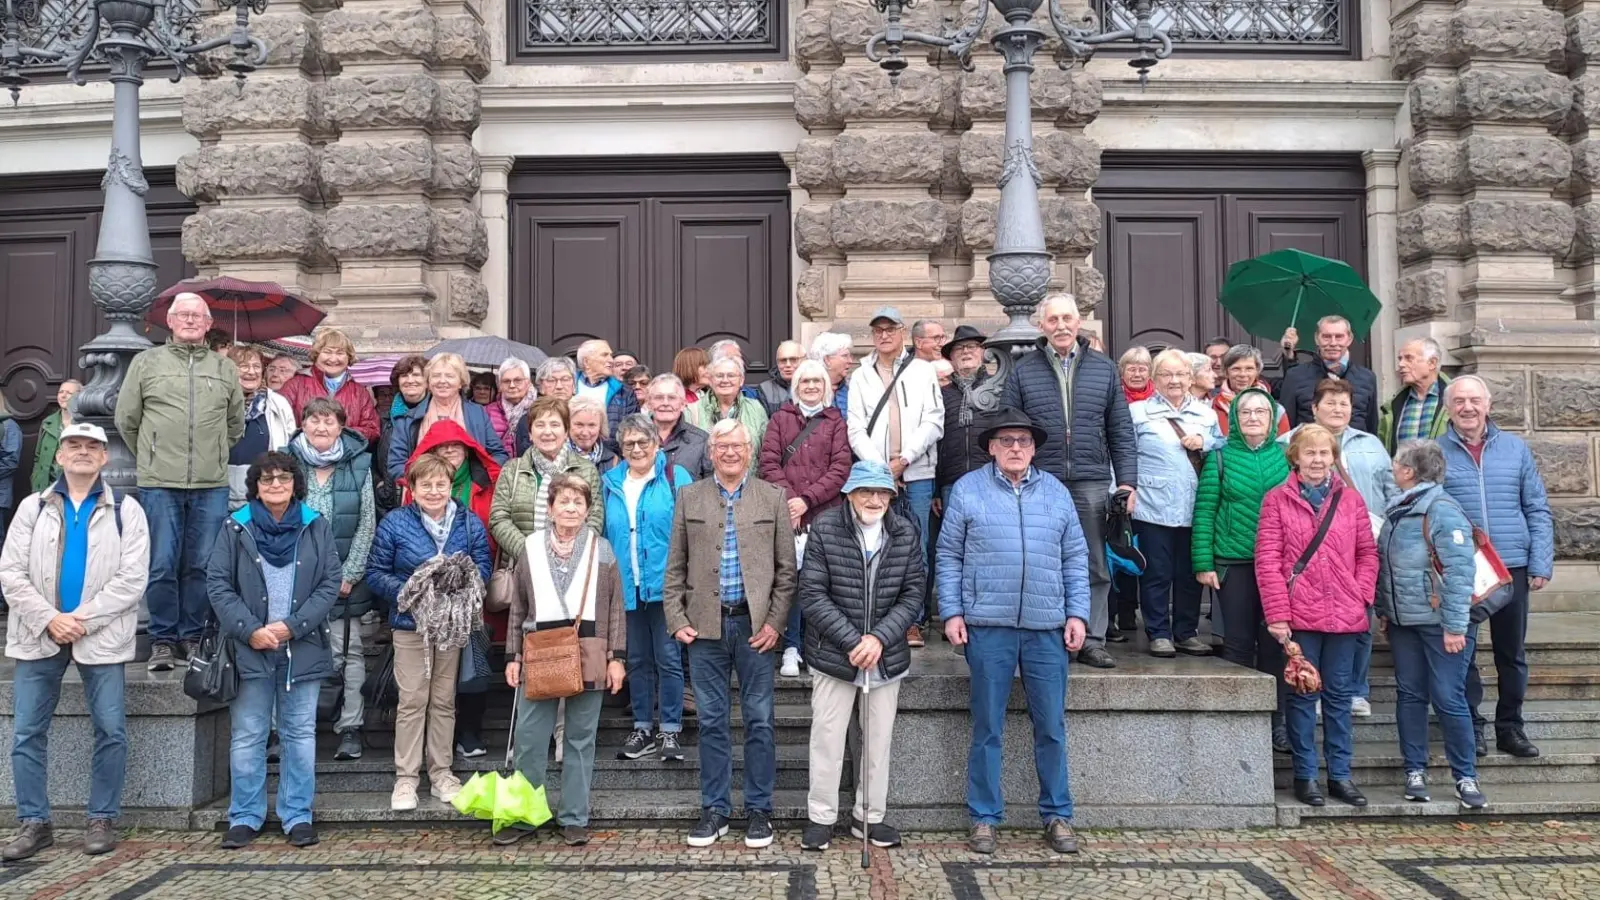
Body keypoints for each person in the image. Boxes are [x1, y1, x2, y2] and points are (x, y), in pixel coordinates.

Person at [937, 407, 1089, 855]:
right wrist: (951, 612)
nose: (1016, 448)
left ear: (1035, 447)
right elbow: (948, 557)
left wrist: (1077, 614)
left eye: (1023, 441)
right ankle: (984, 818)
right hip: (988, 624)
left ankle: (1057, 814)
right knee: (987, 726)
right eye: (1007, 441)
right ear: (991, 447)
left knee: (1052, 726)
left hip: (1046, 627)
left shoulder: (1057, 493)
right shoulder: (968, 490)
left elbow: (1075, 558)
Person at [1, 422, 148, 861]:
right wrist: (50, 619)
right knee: (27, 731)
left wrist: (80, 619)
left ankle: (101, 817)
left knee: (110, 729)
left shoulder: (127, 509)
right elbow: (10, 572)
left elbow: (133, 577)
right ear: (59, 456)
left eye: (92, 447)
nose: (82, 453)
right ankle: (34, 822)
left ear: (105, 458)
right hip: (38, 633)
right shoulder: (32, 507)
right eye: (73, 446)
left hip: (98, 634)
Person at [663, 419, 796, 849]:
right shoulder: (689, 496)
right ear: (712, 451)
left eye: (738, 445)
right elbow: (675, 568)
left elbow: (786, 573)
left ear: (750, 450)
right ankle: (715, 810)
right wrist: (676, 617)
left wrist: (775, 623)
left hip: (755, 629)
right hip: (705, 628)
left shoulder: (773, 497)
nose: (731, 453)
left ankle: (759, 811)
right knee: (712, 723)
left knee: (760, 721)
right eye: (722, 446)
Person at [208, 450, 342, 849]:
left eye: (283, 478)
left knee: (299, 735)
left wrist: (292, 627)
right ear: (256, 487)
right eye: (267, 480)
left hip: (302, 647)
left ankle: (297, 814)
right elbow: (218, 584)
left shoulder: (316, 526)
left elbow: (330, 583)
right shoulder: (235, 527)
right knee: (248, 735)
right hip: (249, 649)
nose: (276, 486)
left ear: (295, 484)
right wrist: (250, 631)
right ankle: (245, 815)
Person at [1002, 294, 1137, 669]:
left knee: (1094, 562)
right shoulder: (1023, 370)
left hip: (1091, 480)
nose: (1061, 326)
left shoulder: (1104, 368)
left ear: (1079, 323)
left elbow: (1120, 430)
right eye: (1053, 320)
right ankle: (1046, 635)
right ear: (1041, 326)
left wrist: (1126, 481)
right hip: (1039, 480)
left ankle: (1092, 639)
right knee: (1040, 560)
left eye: (1067, 318)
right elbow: (1009, 427)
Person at [798, 461, 924, 852]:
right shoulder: (826, 528)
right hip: (835, 653)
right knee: (828, 739)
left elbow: (913, 593)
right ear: (849, 494)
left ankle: (868, 816)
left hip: (885, 656)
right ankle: (821, 817)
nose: (874, 499)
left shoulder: (905, 532)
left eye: (881, 492)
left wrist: (880, 639)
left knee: (877, 740)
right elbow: (812, 595)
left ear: (891, 496)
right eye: (865, 492)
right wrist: (854, 641)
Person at [115, 292, 245, 672]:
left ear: (208, 325)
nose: (190, 320)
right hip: (160, 482)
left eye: (197, 316)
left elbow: (234, 424)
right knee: (161, 563)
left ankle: (191, 636)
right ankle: (162, 640)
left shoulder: (224, 369)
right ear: (169, 322)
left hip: (210, 482)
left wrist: (215, 452)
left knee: (202, 565)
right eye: (182, 314)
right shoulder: (146, 362)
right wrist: (153, 456)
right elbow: (127, 420)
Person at [495, 474, 627, 847]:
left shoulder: (601, 548)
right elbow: (519, 605)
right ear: (550, 508)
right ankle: (526, 815)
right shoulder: (531, 547)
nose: (571, 508)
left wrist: (617, 657)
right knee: (530, 737)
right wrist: (513, 656)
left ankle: (573, 816)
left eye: (578, 502)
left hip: (590, 647)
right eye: (563, 501)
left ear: (587, 509)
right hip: (539, 647)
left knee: (581, 738)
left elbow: (616, 605)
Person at [1256, 424, 1378, 808]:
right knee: (1303, 696)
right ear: (1295, 456)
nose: (1317, 460)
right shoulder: (1277, 499)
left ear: (1333, 458)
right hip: (1300, 615)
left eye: (1324, 453)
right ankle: (1306, 776)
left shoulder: (1351, 501)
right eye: (1310, 453)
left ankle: (1340, 775)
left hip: (1345, 615)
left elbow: (1367, 554)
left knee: (1340, 698)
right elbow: (1268, 560)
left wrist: (1361, 595)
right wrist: (1278, 614)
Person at [366, 452, 492, 812]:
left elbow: (482, 562)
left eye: (441, 484)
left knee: (443, 699)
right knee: (412, 700)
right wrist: (414, 592)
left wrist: (465, 586)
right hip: (411, 625)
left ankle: (442, 773)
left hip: (451, 625)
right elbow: (376, 572)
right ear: (413, 488)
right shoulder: (394, 523)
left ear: (450, 486)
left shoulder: (468, 522)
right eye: (427, 485)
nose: (434, 491)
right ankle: (406, 778)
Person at [1438, 375, 1554, 760]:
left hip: (1513, 566)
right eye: (1459, 401)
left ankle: (1511, 727)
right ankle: (1472, 725)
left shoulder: (1515, 450)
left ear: (1487, 405)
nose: (1467, 407)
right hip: (1463, 569)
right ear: (1448, 408)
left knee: (1511, 653)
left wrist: (1540, 561)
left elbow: (1536, 507)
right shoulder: (1436, 453)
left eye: (1474, 400)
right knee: (1463, 653)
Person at [1376, 440, 1486, 809]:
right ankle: (1414, 770)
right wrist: (1385, 610)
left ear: (1409, 471)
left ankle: (1465, 776)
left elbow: (1459, 572)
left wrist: (1455, 626)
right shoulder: (1399, 508)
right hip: (1404, 621)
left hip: (1441, 623)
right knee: (1410, 695)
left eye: (1396, 463)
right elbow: (1387, 569)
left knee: (1448, 697)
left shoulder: (1440, 509)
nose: (1392, 468)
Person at [1280, 378, 1397, 715]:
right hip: (1309, 550)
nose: (1338, 409)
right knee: (1311, 627)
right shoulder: (1288, 442)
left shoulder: (1371, 444)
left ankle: (1355, 690)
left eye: (1344, 403)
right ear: (1314, 408)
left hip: (1359, 548)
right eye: (1330, 403)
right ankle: (1314, 688)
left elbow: (1390, 490)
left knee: (1361, 620)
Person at [1192, 389, 1291, 751]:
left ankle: (1278, 722)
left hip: (1279, 568)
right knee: (1236, 643)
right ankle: (1239, 719)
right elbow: (1204, 513)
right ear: (1234, 418)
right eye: (1245, 412)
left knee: (1275, 645)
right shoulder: (1220, 459)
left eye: (1260, 412)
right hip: (1233, 563)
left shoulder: (1285, 457)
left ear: (1271, 418)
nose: (1252, 417)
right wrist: (1203, 563)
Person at [287, 398, 377, 762]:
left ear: (341, 426)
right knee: (291, 652)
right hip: (295, 581)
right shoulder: (286, 461)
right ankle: (290, 728)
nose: (321, 427)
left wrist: (350, 572)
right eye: (314, 420)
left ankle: (350, 727)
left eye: (329, 421)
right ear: (303, 424)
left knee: (349, 652)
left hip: (344, 580)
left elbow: (366, 520)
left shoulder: (358, 462)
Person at [848, 307, 944, 648]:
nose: (884, 335)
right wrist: (881, 469)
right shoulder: (860, 375)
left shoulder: (921, 370)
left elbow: (934, 420)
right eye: (878, 331)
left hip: (916, 472)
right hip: (876, 476)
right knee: (875, 545)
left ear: (902, 333)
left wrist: (904, 460)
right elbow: (856, 426)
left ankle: (913, 621)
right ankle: (877, 617)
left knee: (915, 547)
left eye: (890, 329)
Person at [603, 415, 693, 762]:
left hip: (666, 585)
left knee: (669, 659)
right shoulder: (609, 482)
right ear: (621, 449)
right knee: (637, 660)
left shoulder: (674, 477)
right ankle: (642, 727)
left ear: (657, 444)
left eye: (643, 442)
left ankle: (669, 730)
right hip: (626, 586)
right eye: (629, 444)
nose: (637, 449)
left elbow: (690, 531)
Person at [1127, 348, 1224, 660]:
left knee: (1189, 573)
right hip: (1152, 505)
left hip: (1195, 506)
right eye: (1166, 374)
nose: (1174, 380)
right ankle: (1158, 632)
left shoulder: (1207, 415)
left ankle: (1186, 632)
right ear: (1154, 379)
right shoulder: (1138, 412)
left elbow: (1222, 448)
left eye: (1181, 374)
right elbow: (1124, 454)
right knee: (1156, 572)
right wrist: (1123, 490)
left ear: (1190, 377)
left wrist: (1205, 442)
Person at [759, 358, 852, 677]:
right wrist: (791, 501)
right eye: (804, 381)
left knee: (821, 583)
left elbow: (840, 468)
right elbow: (769, 463)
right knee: (793, 583)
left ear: (826, 386)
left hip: (825, 514)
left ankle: (818, 647)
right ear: (795, 386)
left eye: (817, 381)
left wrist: (807, 499)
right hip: (789, 516)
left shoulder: (836, 421)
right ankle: (791, 647)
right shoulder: (780, 419)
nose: (811, 386)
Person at [491, 397, 605, 562]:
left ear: (566, 432)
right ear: (530, 433)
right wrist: (529, 553)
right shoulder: (512, 470)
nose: (547, 432)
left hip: (571, 566)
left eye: (554, 425)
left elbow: (594, 518)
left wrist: (568, 553)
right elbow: (498, 518)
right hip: (522, 566)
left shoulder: (586, 470)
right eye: (540, 425)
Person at [386, 352, 507, 485]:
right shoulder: (408, 418)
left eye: (449, 376)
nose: (442, 381)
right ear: (428, 382)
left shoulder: (477, 413)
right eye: (436, 376)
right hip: (424, 493)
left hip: (470, 493)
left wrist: (480, 479)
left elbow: (498, 454)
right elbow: (395, 464)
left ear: (461, 382)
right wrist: (420, 483)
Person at [1278, 316, 1379, 434]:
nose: (1333, 343)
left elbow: (1372, 427)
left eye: (1339, 337)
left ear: (1349, 339)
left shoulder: (1367, 378)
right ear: (1317, 338)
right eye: (1326, 337)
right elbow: (1286, 429)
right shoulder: (1295, 376)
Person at [226, 345, 296, 512]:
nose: (251, 372)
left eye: (256, 366)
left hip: (263, 490)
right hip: (221, 490)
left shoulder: (278, 403)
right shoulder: (218, 401)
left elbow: (290, 445)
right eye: (243, 366)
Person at [278, 329, 381, 443]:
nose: (333, 359)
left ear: (348, 357)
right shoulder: (295, 385)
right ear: (316, 354)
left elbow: (372, 430)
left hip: (346, 457)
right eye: (327, 352)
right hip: (301, 457)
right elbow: (279, 423)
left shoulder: (360, 392)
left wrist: (339, 434)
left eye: (340, 353)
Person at [376, 354, 429, 513]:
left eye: (416, 375)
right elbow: (372, 457)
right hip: (389, 497)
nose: (410, 380)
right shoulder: (385, 418)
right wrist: (379, 483)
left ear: (427, 381)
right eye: (404, 375)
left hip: (427, 494)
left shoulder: (434, 413)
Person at [1379, 338, 1452, 452]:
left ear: (1432, 363)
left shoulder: (1455, 400)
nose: (1401, 364)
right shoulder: (1394, 405)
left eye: (1409, 358)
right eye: (1400, 359)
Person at [688, 356, 770, 448]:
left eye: (731, 375)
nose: (725, 380)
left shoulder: (756, 408)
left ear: (741, 380)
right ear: (711, 380)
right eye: (719, 375)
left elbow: (767, 450)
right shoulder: (691, 411)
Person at [648, 374, 713, 480]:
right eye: (659, 397)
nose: (665, 403)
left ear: (683, 404)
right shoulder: (634, 438)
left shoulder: (701, 441)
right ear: (649, 403)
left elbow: (710, 487)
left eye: (672, 398)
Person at [575, 339, 641, 433]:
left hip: (611, 447)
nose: (611, 360)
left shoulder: (625, 391)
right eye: (605, 355)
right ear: (586, 362)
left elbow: (633, 429)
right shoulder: (568, 386)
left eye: (610, 355)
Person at [28, 379, 80, 494]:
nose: (63, 396)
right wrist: (36, 479)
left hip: (73, 486)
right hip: (46, 486)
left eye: (69, 393)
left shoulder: (84, 424)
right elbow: (38, 457)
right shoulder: (48, 422)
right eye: (61, 392)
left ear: (79, 396)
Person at [492, 358, 536, 455]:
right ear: (499, 386)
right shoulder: (487, 413)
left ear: (528, 383)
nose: (512, 385)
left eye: (518, 380)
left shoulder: (540, 410)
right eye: (506, 381)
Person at [567, 395, 620, 473]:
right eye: (579, 425)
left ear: (600, 427)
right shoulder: (554, 456)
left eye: (591, 425)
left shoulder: (613, 461)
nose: (585, 432)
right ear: (567, 425)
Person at [810, 331, 856, 415]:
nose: (850, 361)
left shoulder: (853, 389)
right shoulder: (809, 390)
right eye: (845, 356)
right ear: (827, 360)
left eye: (850, 356)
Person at [757, 340, 806, 415]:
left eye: (793, 360)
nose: (788, 365)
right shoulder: (765, 389)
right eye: (783, 360)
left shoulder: (815, 385)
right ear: (777, 363)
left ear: (804, 360)